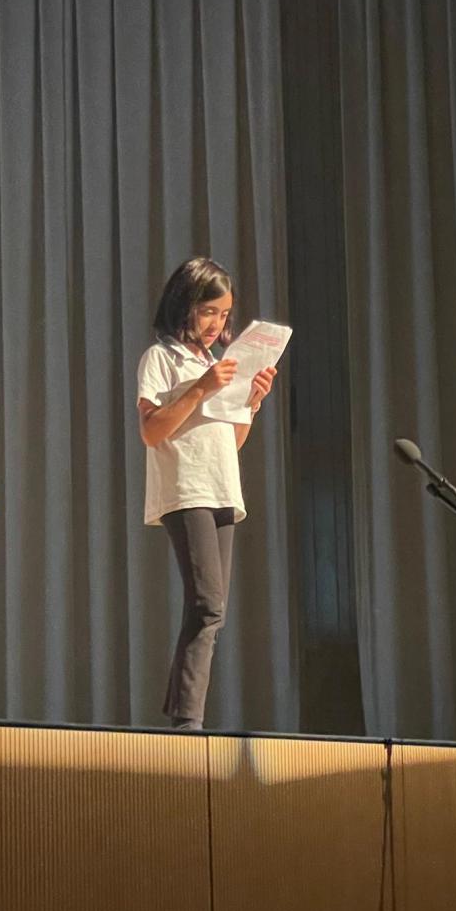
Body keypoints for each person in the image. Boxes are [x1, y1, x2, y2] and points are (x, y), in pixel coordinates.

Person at [137, 257, 277, 731]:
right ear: (185, 305)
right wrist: (199, 389)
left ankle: (185, 711)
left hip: (221, 488)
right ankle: (187, 720)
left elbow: (229, 442)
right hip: (186, 488)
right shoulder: (161, 358)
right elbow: (152, 431)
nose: (217, 323)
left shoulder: (216, 365)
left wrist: (251, 403)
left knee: (212, 612)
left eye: (224, 314)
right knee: (207, 604)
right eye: (208, 311)